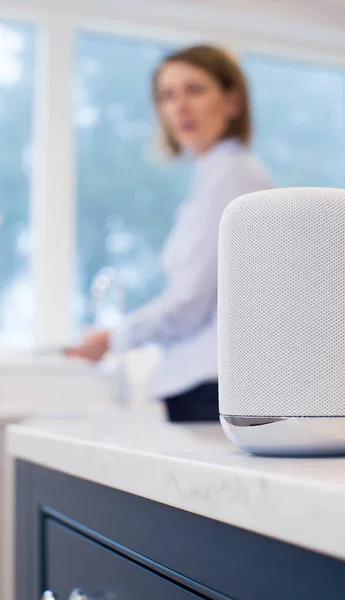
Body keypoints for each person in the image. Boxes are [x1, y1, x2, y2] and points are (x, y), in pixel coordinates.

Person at [68, 45, 272, 422]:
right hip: (205, 387)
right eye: (167, 95)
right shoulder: (214, 175)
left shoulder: (233, 175)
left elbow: (189, 301)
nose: (179, 107)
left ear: (232, 103)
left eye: (194, 90)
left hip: (213, 388)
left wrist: (115, 338)